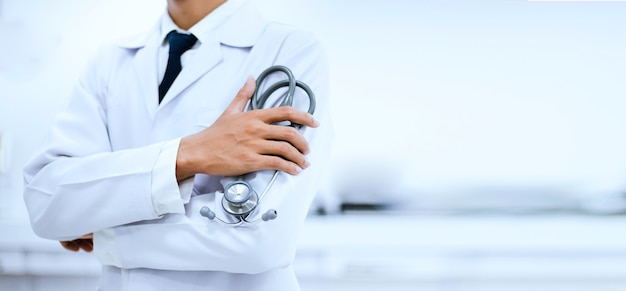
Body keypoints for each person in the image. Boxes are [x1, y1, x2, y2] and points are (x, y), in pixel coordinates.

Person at [22, 0, 332, 289]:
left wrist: (107, 230)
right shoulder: (111, 60)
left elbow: (259, 240)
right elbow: (46, 204)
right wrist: (187, 155)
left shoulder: (290, 51)